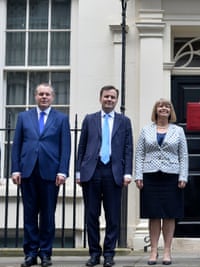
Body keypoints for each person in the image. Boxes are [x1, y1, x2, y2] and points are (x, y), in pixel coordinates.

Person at [11, 83, 71, 267]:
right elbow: (17, 145)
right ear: (35, 96)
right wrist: (15, 169)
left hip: (50, 174)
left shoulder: (61, 119)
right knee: (29, 215)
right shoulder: (23, 117)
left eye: (47, 94)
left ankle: (45, 253)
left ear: (52, 97)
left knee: (47, 215)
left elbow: (65, 147)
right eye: (40, 94)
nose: (44, 97)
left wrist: (63, 171)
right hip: (28, 172)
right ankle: (30, 253)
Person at [76, 85, 133, 267]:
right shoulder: (89, 119)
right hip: (92, 171)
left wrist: (127, 172)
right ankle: (94, 253)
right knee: (91, 214)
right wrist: (78, 171)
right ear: (100, 98)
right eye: (106, 96)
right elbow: (82, 147)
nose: (109, 100)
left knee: (112, 216)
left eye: (112, 97)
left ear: (116, 100)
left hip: (114, 172)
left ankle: (109, 253)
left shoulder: (124, 121)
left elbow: (128, 148)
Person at [134, 99, 188, 266]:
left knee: (170, 215)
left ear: (170, 111)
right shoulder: (145, 130)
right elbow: (139, 154)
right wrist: (138, 175)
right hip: (150, 175)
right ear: (156, 110)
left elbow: (183, 155)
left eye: (167, 106)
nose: (164, 108)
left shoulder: (178, 131)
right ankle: (153, 251)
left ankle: (167, 252)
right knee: (154, 215)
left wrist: (183, 176)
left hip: (171, 176)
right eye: (160, 106)